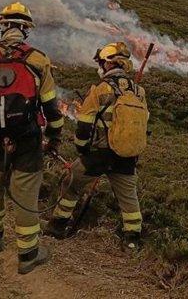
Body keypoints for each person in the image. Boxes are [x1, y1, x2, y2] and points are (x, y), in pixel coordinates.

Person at [0, 2, 64, 274]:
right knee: (25, 194)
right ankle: (28, 255)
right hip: (27, 139)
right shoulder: (38, 60)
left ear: (2, 26)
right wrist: (53, 137)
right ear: (26, 29)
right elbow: (52, 109)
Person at [45, 42, 145, 251]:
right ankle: (132, 240)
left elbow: (84, 126)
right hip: (127, 155)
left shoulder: (100, 90)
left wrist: (82, 150)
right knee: (129, 199)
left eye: (101, 62)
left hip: (99, 154)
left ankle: (57, 227)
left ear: (109, 64)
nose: (100, 66)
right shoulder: (138, 91)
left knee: (71, 182)